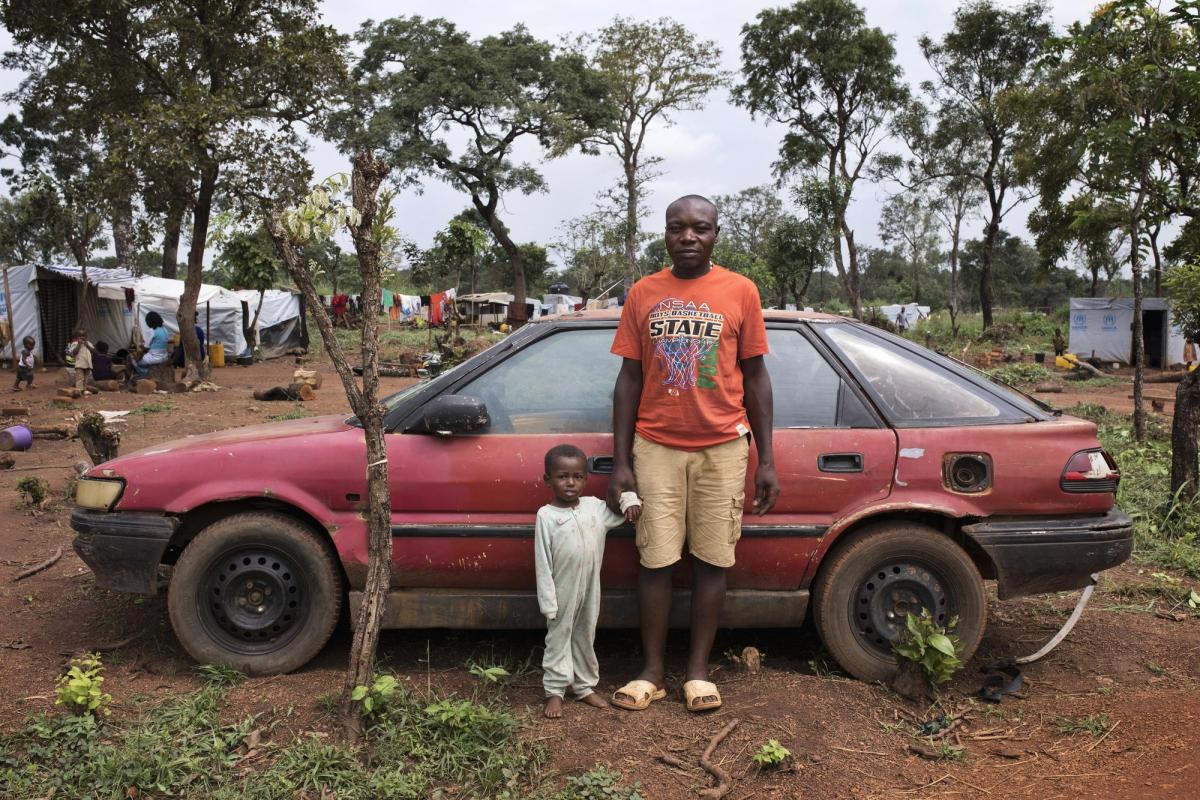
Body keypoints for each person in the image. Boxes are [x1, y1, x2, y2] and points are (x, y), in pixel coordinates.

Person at [608, 194, 779, 713]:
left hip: (724, 447)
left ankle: (698, 674)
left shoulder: (740, 291)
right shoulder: (644, 292)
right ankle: (652, 672)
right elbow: (628, 379)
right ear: (665, 234)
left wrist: (766, 458)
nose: (688, 237)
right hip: (656, 445)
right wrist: (621, 461)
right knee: (655, 560)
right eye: (678, 228)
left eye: (699, 228)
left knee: (711, 560)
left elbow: (756, 377)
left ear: (715, 235)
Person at [535, 444, 641, 719]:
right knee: (558, 638)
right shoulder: (546, 516)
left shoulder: (594, 508)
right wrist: (548, 601)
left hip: (590, 587)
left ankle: (583, 687)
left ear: (586, 478)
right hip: (561, 589)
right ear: (548, 480)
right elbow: (542, 562)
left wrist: (630, 501)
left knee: (585, 634)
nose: (570, 482)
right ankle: (555, 690)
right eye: (562, 476)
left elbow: (621, 511)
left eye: (577, 476)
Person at [132, 311, 171, 378]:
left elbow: (146, 347)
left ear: (150, 321)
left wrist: (141, 348)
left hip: (154, 358)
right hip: (164, 357)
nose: (146, 323)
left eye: (147, 321)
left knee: (134, 362)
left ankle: (145, 374)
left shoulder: (152, 331)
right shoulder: (165, 330)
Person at [66, 329, 95, 393]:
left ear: (86, 337)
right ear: (76, 337)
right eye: (80, 336)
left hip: (88, 364)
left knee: (86, 378)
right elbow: (74, 352)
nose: (82, 337)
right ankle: (79, 390)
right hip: (79, 364)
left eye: (83, 336)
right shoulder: (75, 344)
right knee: (80, 378)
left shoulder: (89, 343)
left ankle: (84, 390)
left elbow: (93, 351)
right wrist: (79, 344)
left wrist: (87, 345)